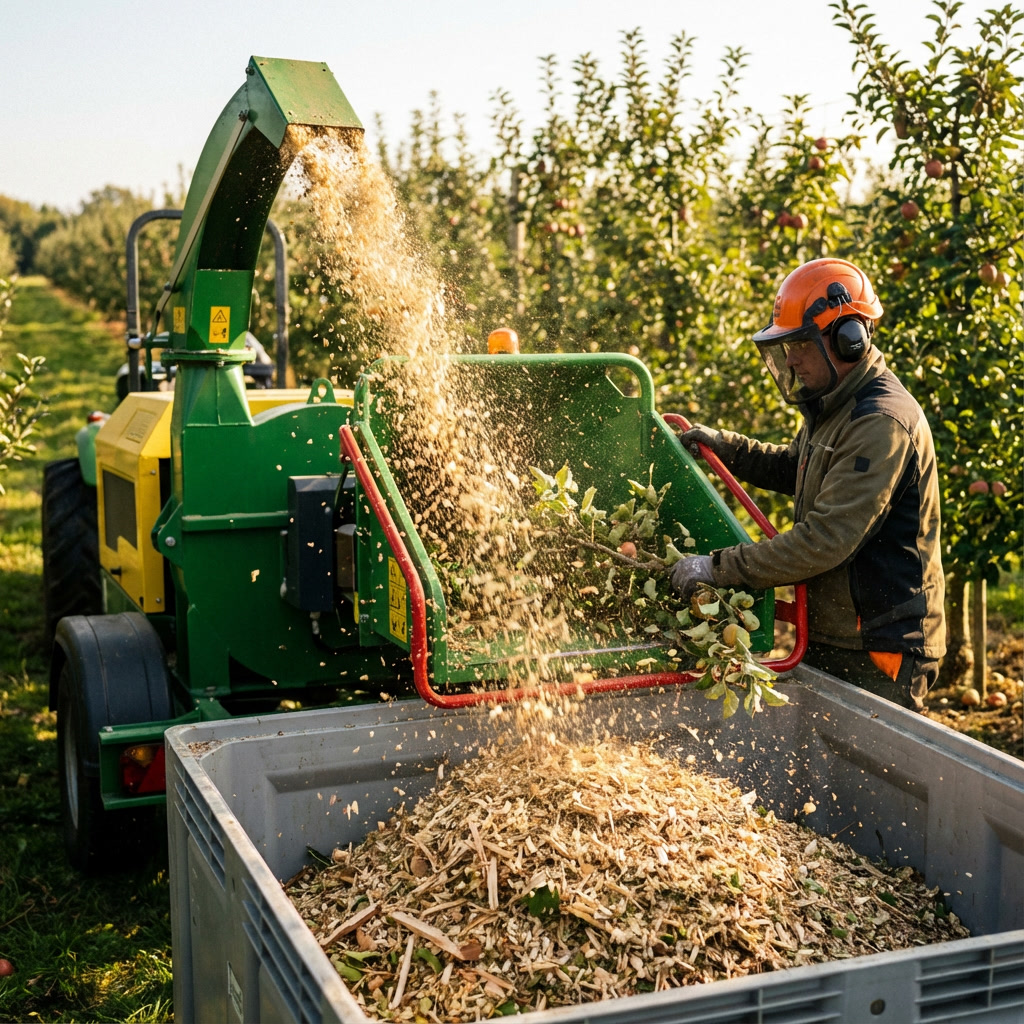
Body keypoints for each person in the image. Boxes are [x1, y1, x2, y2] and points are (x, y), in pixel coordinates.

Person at [671, 257, 945, 710]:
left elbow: (825, 539)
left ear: (849, 339)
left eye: (800, 344)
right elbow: (794, 467)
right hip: (836, 630)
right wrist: (725, 447)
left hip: (878, 643)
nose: (792, 359)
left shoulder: (880, 422)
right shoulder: (836, 407)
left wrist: (717, 567)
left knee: (866, 755)